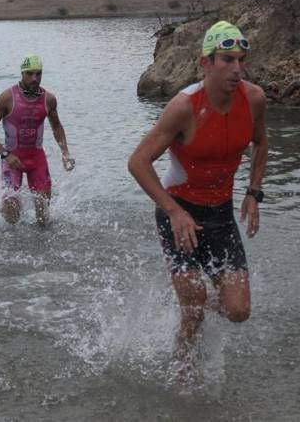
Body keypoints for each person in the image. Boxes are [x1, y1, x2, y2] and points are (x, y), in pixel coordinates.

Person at [127, 20, 268, 373]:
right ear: (205, 62)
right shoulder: (184, 107)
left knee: (238, 311)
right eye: (226, 59)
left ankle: (189, 305)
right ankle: (183, 369)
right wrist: (173, 211)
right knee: (195, 298)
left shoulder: (253, 99)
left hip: (219, 214)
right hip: (181, 213)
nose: (236, 68)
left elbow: (261, 142)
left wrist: (253, 192)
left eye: (240, 59)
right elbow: (138, 162)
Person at [0, 53, 75, 226]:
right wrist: (5, 154)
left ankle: (41, 250)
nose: (35, 78)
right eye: (30, 73)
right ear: (22, 73)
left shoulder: (49, 99)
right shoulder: (7, 97)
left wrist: (65, 152)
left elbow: (56, 127)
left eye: (38, 73)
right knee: (12, 217)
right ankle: (0, 212)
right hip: (12, 160)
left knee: (43, 218)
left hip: (37, 160)